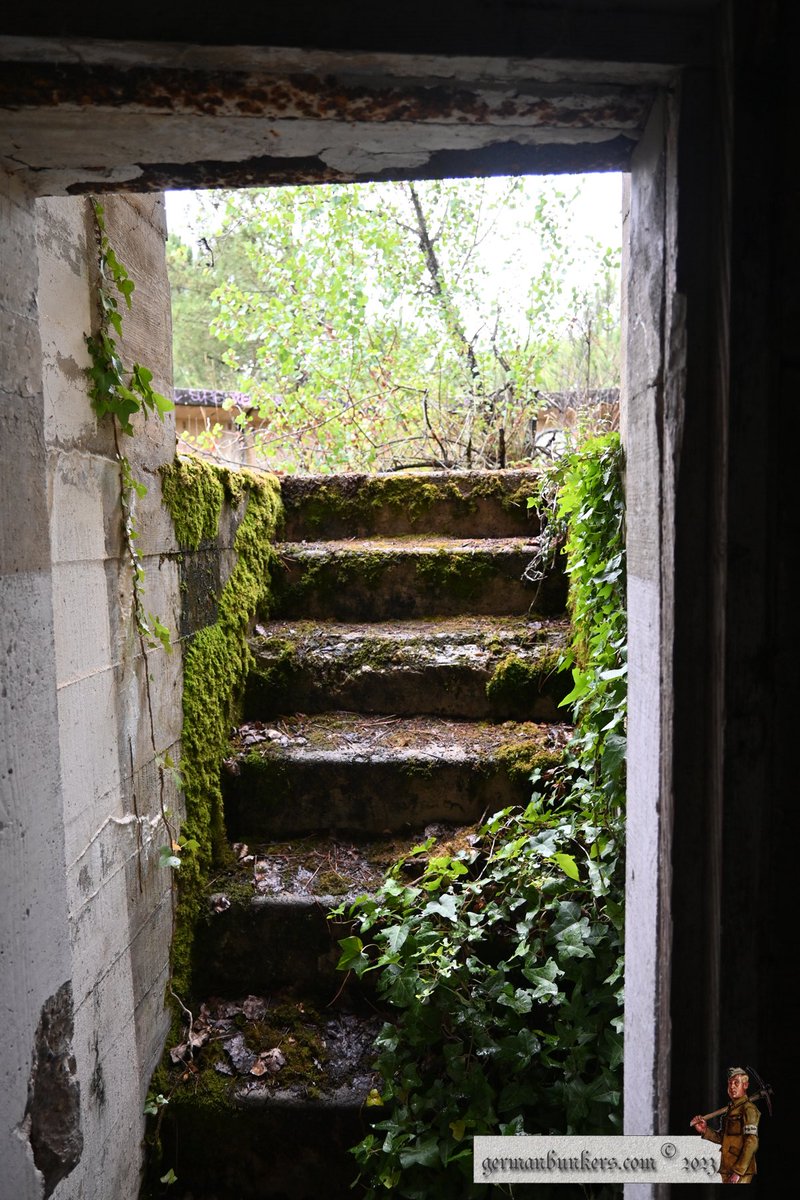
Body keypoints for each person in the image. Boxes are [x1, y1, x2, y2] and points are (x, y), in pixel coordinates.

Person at [690, 1066, 760, 1183]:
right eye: (730, 1083)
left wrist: (738, 1172)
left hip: (740, 1173)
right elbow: (723, 1139)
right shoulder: (732, 1110)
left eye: (736, 1083)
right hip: (727, 1168)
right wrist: (705, 1130)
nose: (732, 1087)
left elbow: (752, 1142)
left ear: (745, 1085)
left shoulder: (749, 1110)